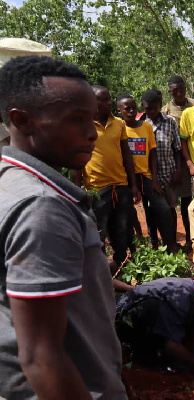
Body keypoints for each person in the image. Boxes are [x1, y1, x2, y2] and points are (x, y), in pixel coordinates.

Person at [0, 55, 126, 398]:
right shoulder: (42, 207)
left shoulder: (12, 182)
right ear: (21, 120)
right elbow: (41, 357)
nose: (92, 134)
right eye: (76, 120)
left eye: (93, 119)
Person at [72, 85, 139, 269]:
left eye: (110, 99)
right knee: (99, 231)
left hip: (121, 185)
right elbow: (77, 160)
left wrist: (133, 185)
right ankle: (101, 269)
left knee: (123, 227)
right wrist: (76, 189)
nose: (110, 103)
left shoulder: (118, 123)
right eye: (105, 99)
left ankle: (121, 264)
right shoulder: (83, 125)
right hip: (98, 189)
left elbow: (127, 155)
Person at [115, 277, 194, 376]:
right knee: (174, 362)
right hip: (125, 316)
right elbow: (171, 346)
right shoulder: (179, 302)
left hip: (138, 302)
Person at [117, 94, 176, 253]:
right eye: (126, 108)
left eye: (133, 107)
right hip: (127, 179)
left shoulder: (146, 127)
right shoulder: (119, 128)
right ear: (119, 110)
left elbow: (153, 154)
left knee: (163, 209)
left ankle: (170, 246)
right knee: (129, 213)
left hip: (146, 177)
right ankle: (135, 247)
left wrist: (155, 179)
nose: (130, 110)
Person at [140, 89, 183, 249]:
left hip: (169, 174)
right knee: (151, 211)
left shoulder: (170, 121)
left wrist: (178, 171)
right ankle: (154, 243)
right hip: (149, 178)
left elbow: (177, 148)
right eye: (147, 108)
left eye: (153, 108)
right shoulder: (141, 124)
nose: (150, 111)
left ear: (160, 105)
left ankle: (171, 241)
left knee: (171, 209)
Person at [163, 75, 194, 251]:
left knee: (188, 201)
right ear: (169, 91)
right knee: (172, 201)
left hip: (193, 159)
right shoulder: (166, 111)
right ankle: (171, 240)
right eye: (174, 91)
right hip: (172, 162)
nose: (178, 93)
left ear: (185, 88)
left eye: (180, 89)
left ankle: (193, 238)